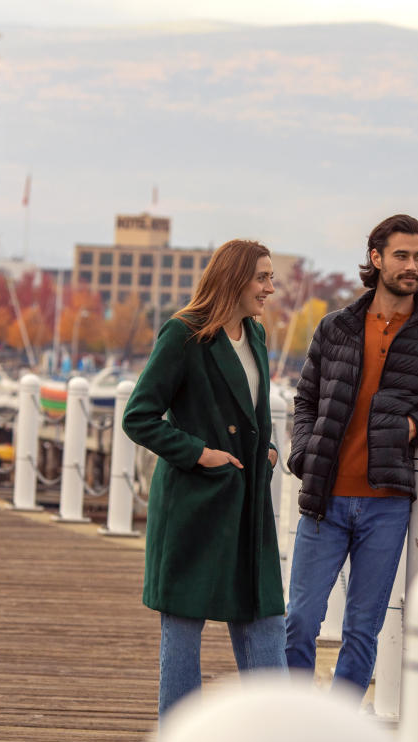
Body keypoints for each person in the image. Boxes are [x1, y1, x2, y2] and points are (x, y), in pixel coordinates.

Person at [284, 213, 418, 696]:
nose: (412, 266)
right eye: (401, 256)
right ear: (376, 258)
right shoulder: (336, 328)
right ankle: (292, 721)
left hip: (387, 503)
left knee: (361, 631)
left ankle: (337, 735)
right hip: (325, 496)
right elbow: (305, 400)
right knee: (299, 622)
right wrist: (304, 453)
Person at [122, 238, 286, 717]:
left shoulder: (254, 334)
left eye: (271, 277)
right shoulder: (183, 333)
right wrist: (200, 454)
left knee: (265, 620)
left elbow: (251, 409)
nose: (270, 289)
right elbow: (139, 416)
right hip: (195, 503)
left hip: (247, 503)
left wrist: (267, 447)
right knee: (183, 629)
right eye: (263, 278)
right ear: (234, 279)